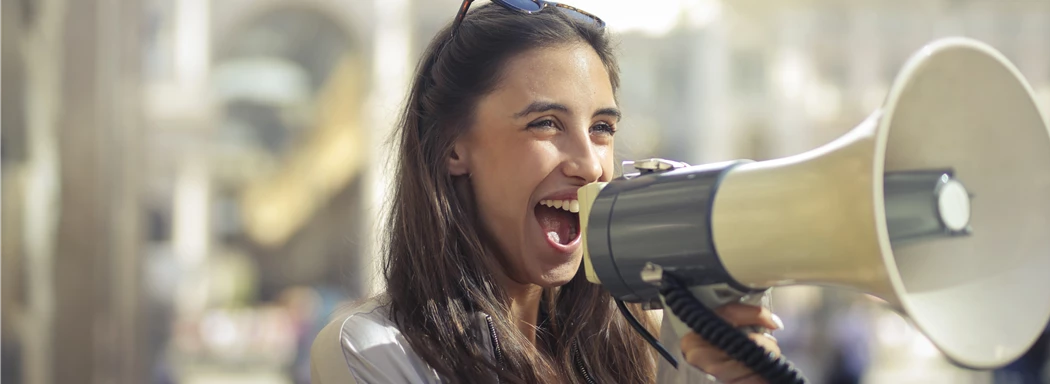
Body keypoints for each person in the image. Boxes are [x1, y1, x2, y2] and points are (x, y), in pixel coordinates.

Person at [309, 1, 783, 383]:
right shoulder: (373, 350)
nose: (589, 164)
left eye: (601, 128)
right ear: (453, 147)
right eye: (546, 123)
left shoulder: (644, 343)